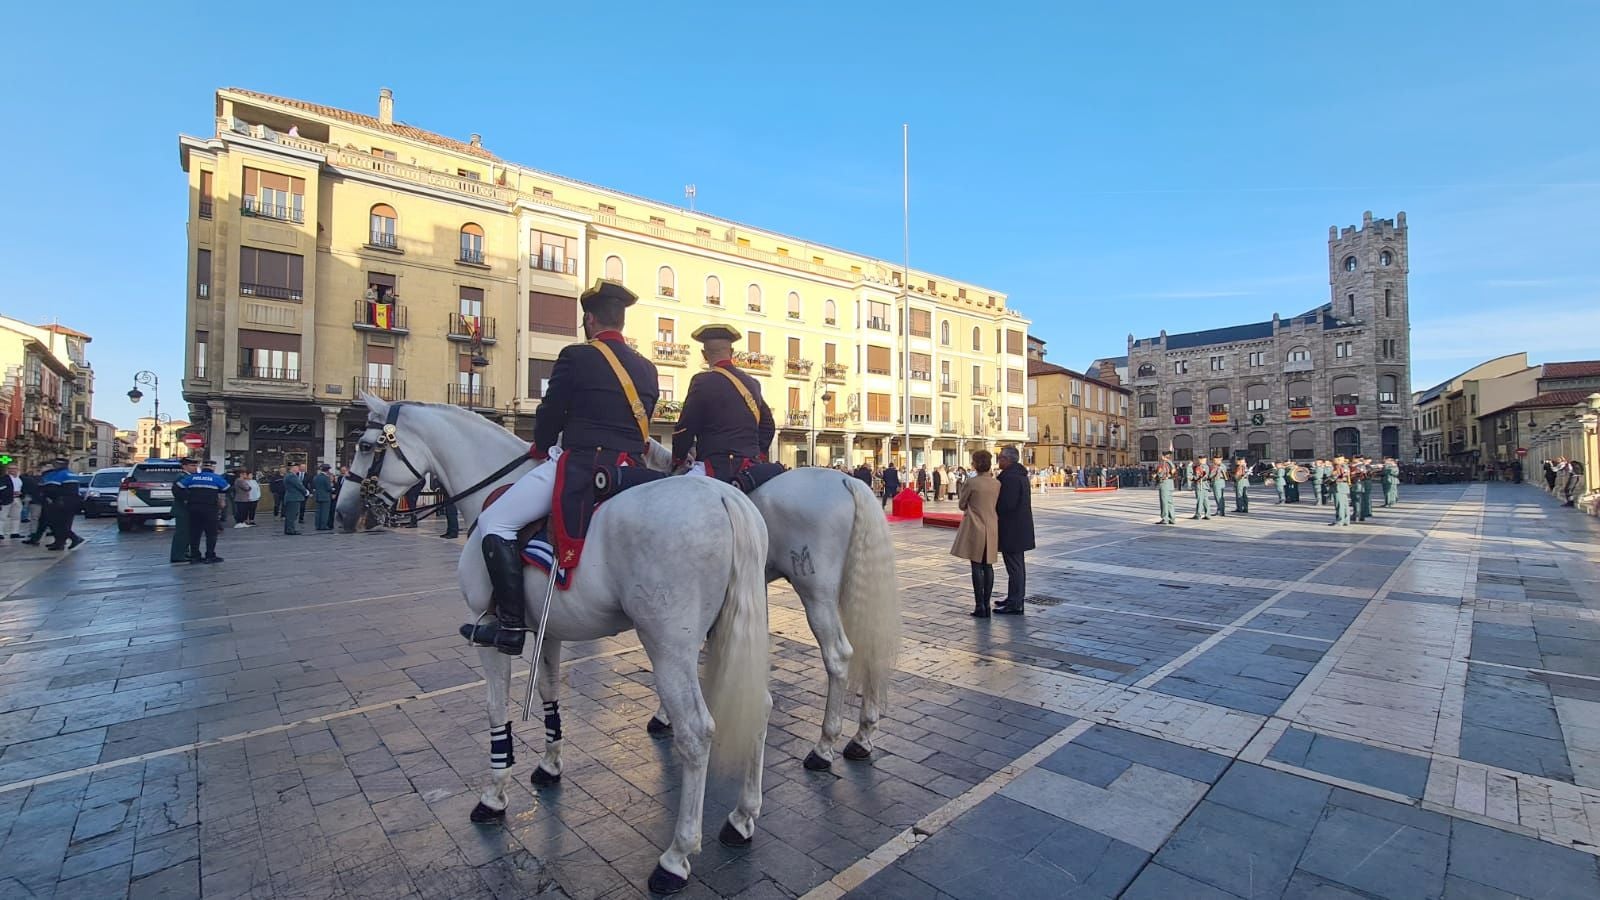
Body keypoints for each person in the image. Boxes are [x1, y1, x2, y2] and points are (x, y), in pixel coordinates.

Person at [467, 279, 657, 656]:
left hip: (583, 463)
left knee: (495, 523)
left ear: (589, 320)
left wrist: (540, 444)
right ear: (621, 321)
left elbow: (551, 412)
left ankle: (511, 625)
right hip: (632, 471)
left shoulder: (576, 356)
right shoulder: (648, 368)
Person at [671, 324, 774, 480]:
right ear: (731, 352)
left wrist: (678, 459)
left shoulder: (702, 381)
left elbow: (685, 428)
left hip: (714, 466)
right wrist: (756, 454)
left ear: (704, 355)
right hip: (750, 467)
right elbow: (768, 425)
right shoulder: (752, 383)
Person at [950, 449, 1000, 617]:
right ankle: (987, 603)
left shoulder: (972, 483)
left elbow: (962, 504)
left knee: (976, 566)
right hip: (992, 526)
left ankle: (980, 605)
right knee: (989, 566)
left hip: (975, 525)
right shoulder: (996, 483)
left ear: (976, 464)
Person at [994, 446, 1035, 615]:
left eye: (1001, 458)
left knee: (1015, 568)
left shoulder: (1009, 478)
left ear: (1008, 459)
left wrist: (994, 507)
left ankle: (1016, 603)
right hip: (1020, 528)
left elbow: (1007, 505)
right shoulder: (1019, 475)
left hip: (1012, 528)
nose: (999, 460)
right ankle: (1014, 598)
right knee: (1017, 567)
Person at [179, 462, 229, 563]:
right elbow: (226, 488)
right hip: (210, 509)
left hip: (194, 508)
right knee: (211, 533)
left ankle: (195, 556)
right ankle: (210, 556)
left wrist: (187, 498)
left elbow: (179, 486)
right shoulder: (216, 478)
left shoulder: (193, 477)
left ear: (201, 468)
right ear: (212, 468)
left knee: (195, 533)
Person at [282, 464, 308, 534]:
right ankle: (290, 530)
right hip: (294, 498)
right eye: (296, 467)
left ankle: (288, 529)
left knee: (290, 515)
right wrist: (305, 492)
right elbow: (299, 485)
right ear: (292, 468)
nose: (298, 469)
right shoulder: (292, 476)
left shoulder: (288, 475)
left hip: (292, 498)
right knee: (292, 515)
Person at [1153, 452, 1176, 525]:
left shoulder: (1163, 464)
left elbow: (1161, 475)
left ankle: (1165, 518)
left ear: (1163, 456)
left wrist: (1155, 476)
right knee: (1170, 502)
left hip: (1164, 484)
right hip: (1170, 484)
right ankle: (1172, 518)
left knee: (1164, 502)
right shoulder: (1171, 464)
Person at [0, 461, 21, 539]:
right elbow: (2, 488)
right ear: (8, 470)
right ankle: (0, 532)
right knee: (2, 517)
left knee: (16, 516)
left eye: (14, 469)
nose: (12, 470)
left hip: (17, 499)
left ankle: (15, 532)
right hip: (6, 499)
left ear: (17, 469)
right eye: (10, 469)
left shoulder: (20, 478)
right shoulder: (3, 478)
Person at [312, 464, 335, 531]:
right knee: (325, 512)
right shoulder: (326, 478)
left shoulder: (316, 477)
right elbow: (328, 488)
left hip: (318, 496)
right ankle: (323, 526)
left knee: (318, 512)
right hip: (325, 496)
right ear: (327, 470)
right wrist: (332, 488)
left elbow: (314, 486)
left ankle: (317, 525)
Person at [1330, 457, 1351, 526]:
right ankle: (1346, 520)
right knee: (1344, 505)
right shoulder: (1345, 467)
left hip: (1339, 487)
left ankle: (1340, 520)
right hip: (1343, 487)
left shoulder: (1339, 467)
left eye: (1335, 459)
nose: (1333, 461)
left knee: (1339, 505)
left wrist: (1328, 480)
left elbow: (1336, 477)